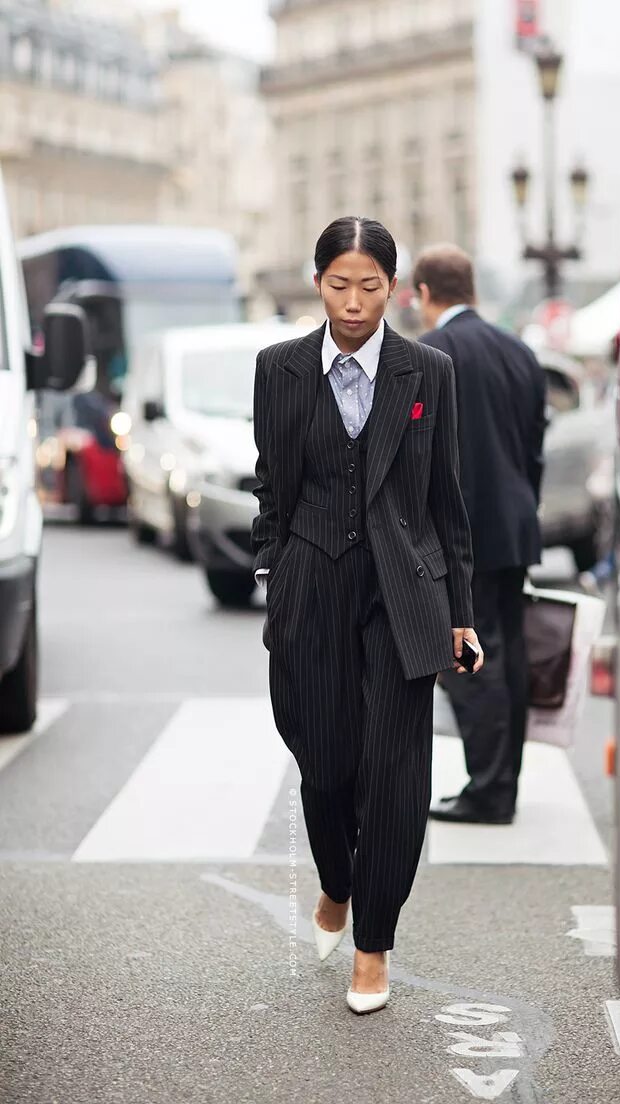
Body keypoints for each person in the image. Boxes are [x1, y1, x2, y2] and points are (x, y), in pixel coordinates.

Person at [251, 217, 482, 1015]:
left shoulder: (430, 372)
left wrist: (461, 613)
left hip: (404, 594)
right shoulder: (277, 369)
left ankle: (372, 947)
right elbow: (271, 485)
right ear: (318, 281)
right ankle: (336, 881)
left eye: (371, 285)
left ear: (395, 287)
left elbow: (448, 502)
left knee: (393, 776)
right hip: (310, 580)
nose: (354, 302)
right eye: (340, 284)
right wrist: (270, 568)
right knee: (325, 763)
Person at [413, 244, 547, 825]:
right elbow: (534, 446)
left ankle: (489, 789)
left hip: (463, 529)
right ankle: (501, 782)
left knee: (470, 654)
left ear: (422, 294)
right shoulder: (519, 351)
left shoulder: (431, 353)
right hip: (515, 519)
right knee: (509, 653)